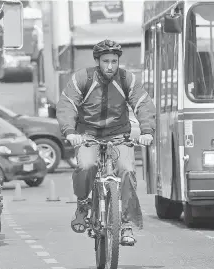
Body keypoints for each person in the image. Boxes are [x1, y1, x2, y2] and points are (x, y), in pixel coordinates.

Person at [56, 39, 156, 246]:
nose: (110, 66)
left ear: (118, 61)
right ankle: (83, 204)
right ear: (97, 61)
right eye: (105, 61)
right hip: (88, 135)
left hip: (119, 135)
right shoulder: (83, 78)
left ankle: (126, 224)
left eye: (114, 61)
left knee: (127, 170)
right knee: (87, 165)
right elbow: (67, 105)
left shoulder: (127, 79)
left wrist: (147, 131)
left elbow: (143, 103)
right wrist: (70, 131)